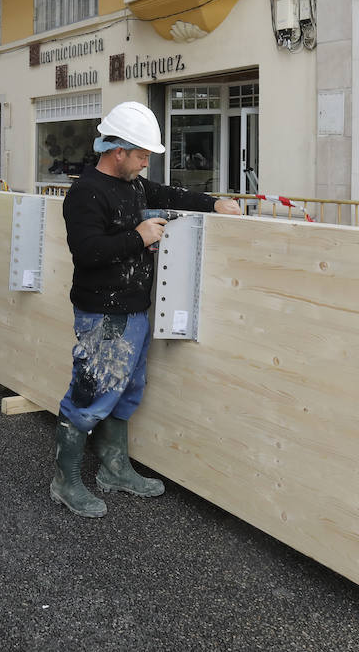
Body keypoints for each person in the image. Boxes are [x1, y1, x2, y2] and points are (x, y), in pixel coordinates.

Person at [49, 101, 242, 518]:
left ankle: (115, 469)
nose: (145, 163)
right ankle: (65, 480)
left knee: (126, 393)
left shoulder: (134, 185)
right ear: (118, 150)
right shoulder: (85, 193)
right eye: (141, 155)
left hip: (134, 310)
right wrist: (137, 237)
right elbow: (87, 252)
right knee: (90, 396)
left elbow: (170, 194)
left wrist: (214, 203)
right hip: (103, 314)